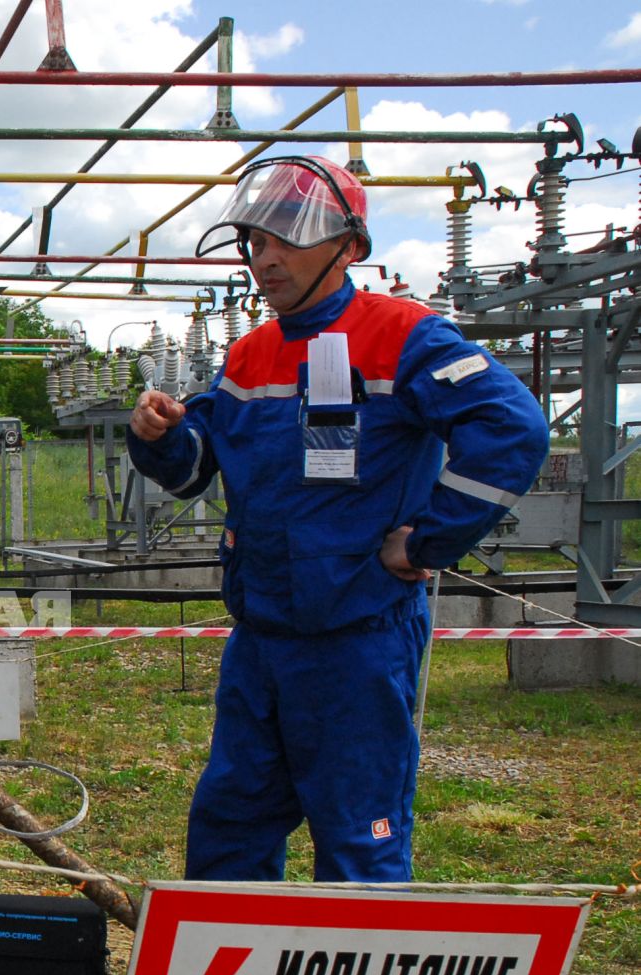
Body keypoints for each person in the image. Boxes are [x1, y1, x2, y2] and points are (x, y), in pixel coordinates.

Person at [127, 155, 548, 884]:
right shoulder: (250, 355)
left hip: (357, 634)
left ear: (349, 246)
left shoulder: (401, 334)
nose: (265, 258)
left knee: (359, 829)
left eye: (286, 239)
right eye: (254, 242)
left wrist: (427, 540)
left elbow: (510, 428)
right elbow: (198, 466)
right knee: (231, 817)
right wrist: (161, 435)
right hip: (261, 634)